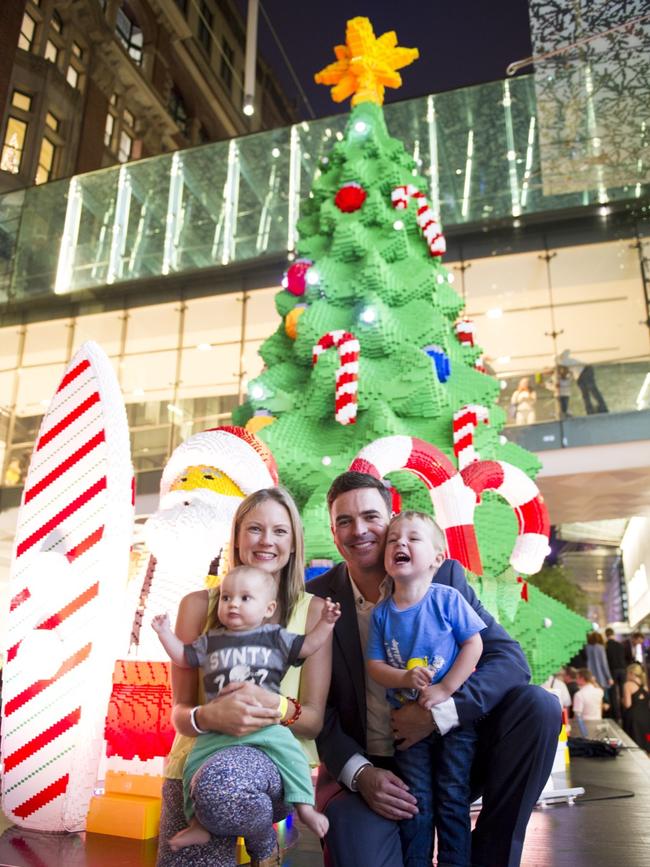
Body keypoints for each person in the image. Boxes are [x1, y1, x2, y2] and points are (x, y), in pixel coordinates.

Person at [308, 471, 561, 867]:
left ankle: (491, 855)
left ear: (391, 520)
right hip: (370, 769)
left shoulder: (442, 577)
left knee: (539, 707)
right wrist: (359, 774)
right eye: (345, 521)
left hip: (451, 748)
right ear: (333, 531)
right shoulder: (317, 600)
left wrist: (437, 714)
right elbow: (312, 708)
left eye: (371, 517)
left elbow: (509, 661)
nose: (359, 530)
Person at [156, 487, 332, 867]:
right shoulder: (199, 605)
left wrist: (276, 706)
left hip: (272, 760)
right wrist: (207, 717)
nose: (267, 540)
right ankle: (208, 819)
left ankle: (262, 838)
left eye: (280, 531)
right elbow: (179, 714)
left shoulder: (312, 612)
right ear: (236, 537)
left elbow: (314, 721)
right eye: (254, 528)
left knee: (226, 785)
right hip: (196, 760)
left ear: (294, 542)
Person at [366, 511, 485, 867]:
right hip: (405, 725)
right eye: (393, 540)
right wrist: (402, 679)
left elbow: (474, 645)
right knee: (416, 799)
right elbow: (374, 666)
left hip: (454, 725)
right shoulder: (382, 613)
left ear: (437, 558)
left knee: (452, 795)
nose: (400, 543)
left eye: (413, 538)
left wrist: (446, 688)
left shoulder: (446, 599)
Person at [557, 349, 608, 415]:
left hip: (585, 370)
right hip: (580, 375)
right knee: (586, 393)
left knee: (592, 390)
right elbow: (566, 373)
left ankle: (600, 407)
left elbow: (567, 353)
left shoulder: (564, 361)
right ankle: (590, 410)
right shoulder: (566, 362)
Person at [621, 663, 650, 752]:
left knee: (634, 744)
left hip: (634, 718)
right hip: (646, 717)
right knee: (646, 740)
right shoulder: (645, 684)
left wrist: (622, 700)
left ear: (631, 673)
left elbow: (628, 704)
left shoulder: (628, 684)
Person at [585, 632, 613, 712]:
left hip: (590, 676)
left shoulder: (587, 647)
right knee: (603, 698)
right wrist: (609, 677)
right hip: (601, 677)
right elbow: (604, 664)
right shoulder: (600, 648)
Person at [604, 628, 626, 721]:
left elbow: (606, 662)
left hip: (612, 671)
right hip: (622, 670)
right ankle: (624, 712)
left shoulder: (606, 646)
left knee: (613, 694)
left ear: (606, 635)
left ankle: (616, 715)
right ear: (613, 634)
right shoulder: (620, 645)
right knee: (623, 693)